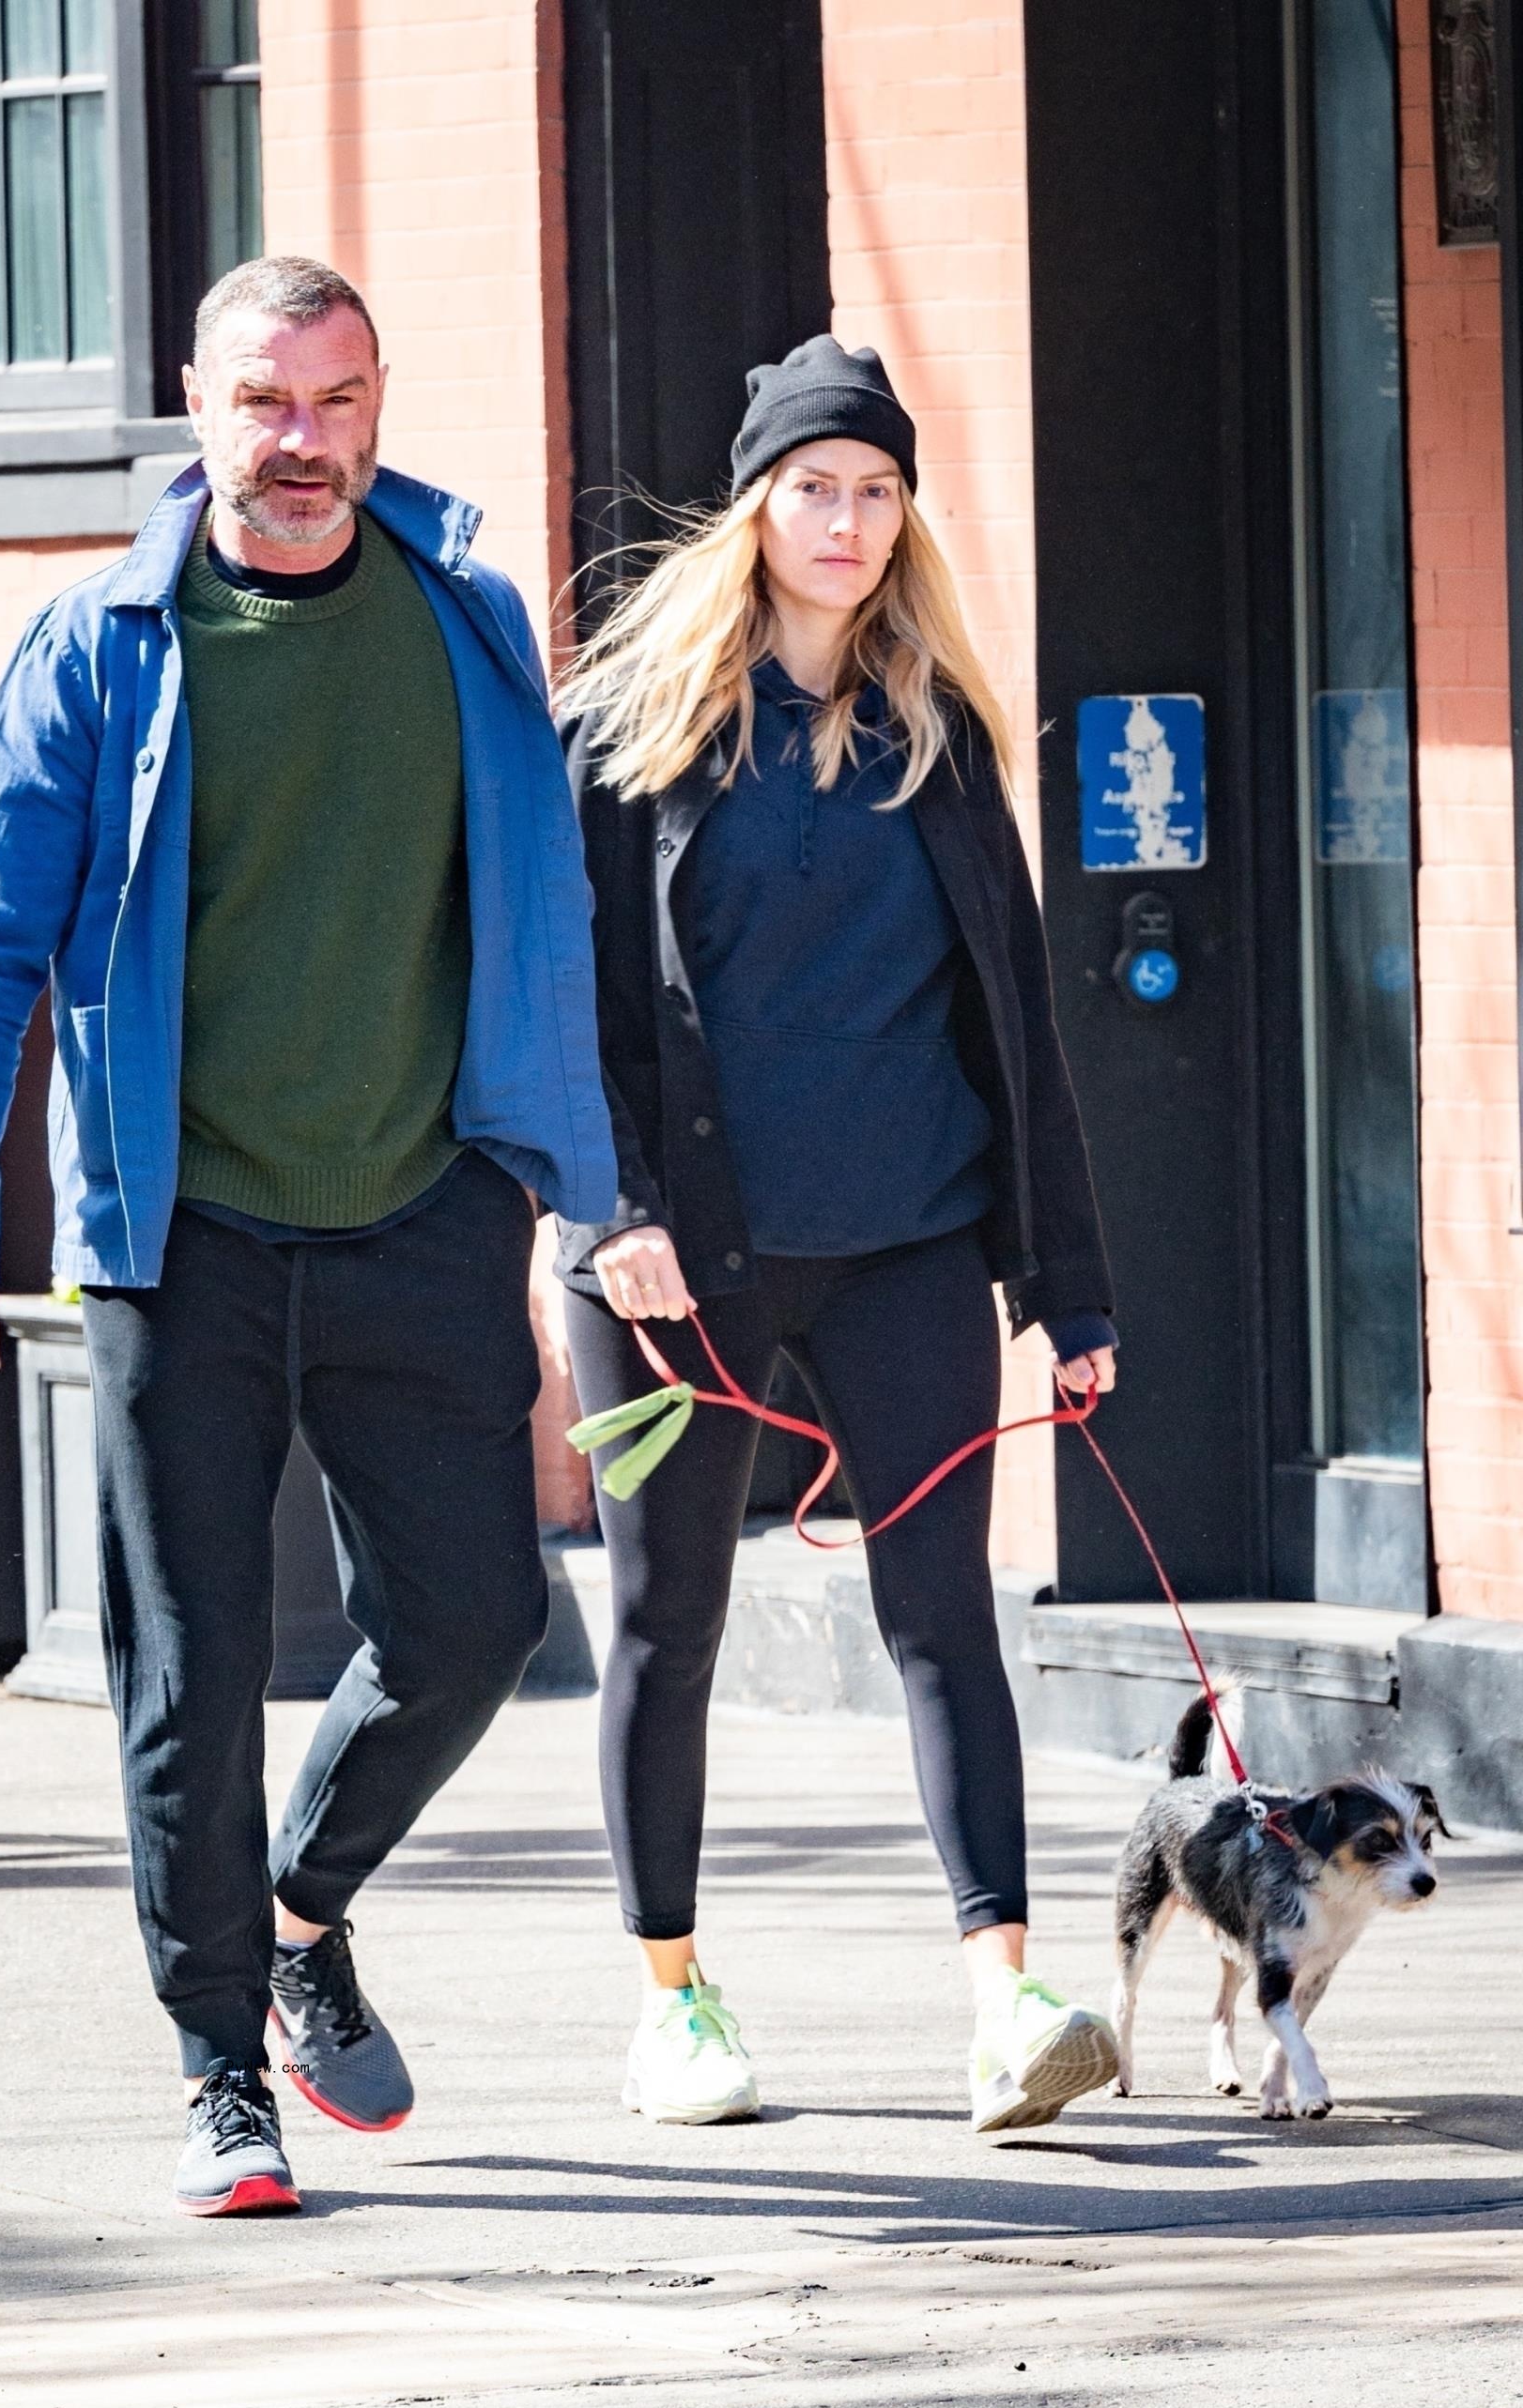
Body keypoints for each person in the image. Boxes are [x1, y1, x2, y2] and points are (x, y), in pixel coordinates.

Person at [0, 257, 614, 2218]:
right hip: (178, 1232)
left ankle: (302, 1911)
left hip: (417, 1210)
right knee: (190, 1677)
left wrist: (580, 1197)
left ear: (380, 404)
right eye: (267, 403)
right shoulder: (102, 643)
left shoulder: (465, 622)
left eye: (340, 400)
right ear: (195, 408)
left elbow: (539, 930)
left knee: (478, 1621)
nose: (306, 444)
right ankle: (221, 2067)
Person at [554, 337, 1119, 2135]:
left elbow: (1013, 1024)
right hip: (674, 1258)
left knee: (945, 1613)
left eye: (879, 491)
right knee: (672, 1620)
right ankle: (674, 1995)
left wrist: (1066, 1279)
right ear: (755, 504)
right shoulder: (629, 736)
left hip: (908, 1239)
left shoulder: (940, 739)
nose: (850, 521)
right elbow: (561, 1007)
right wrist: (610, 1208)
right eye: (817, 486)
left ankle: (1005, 1995)